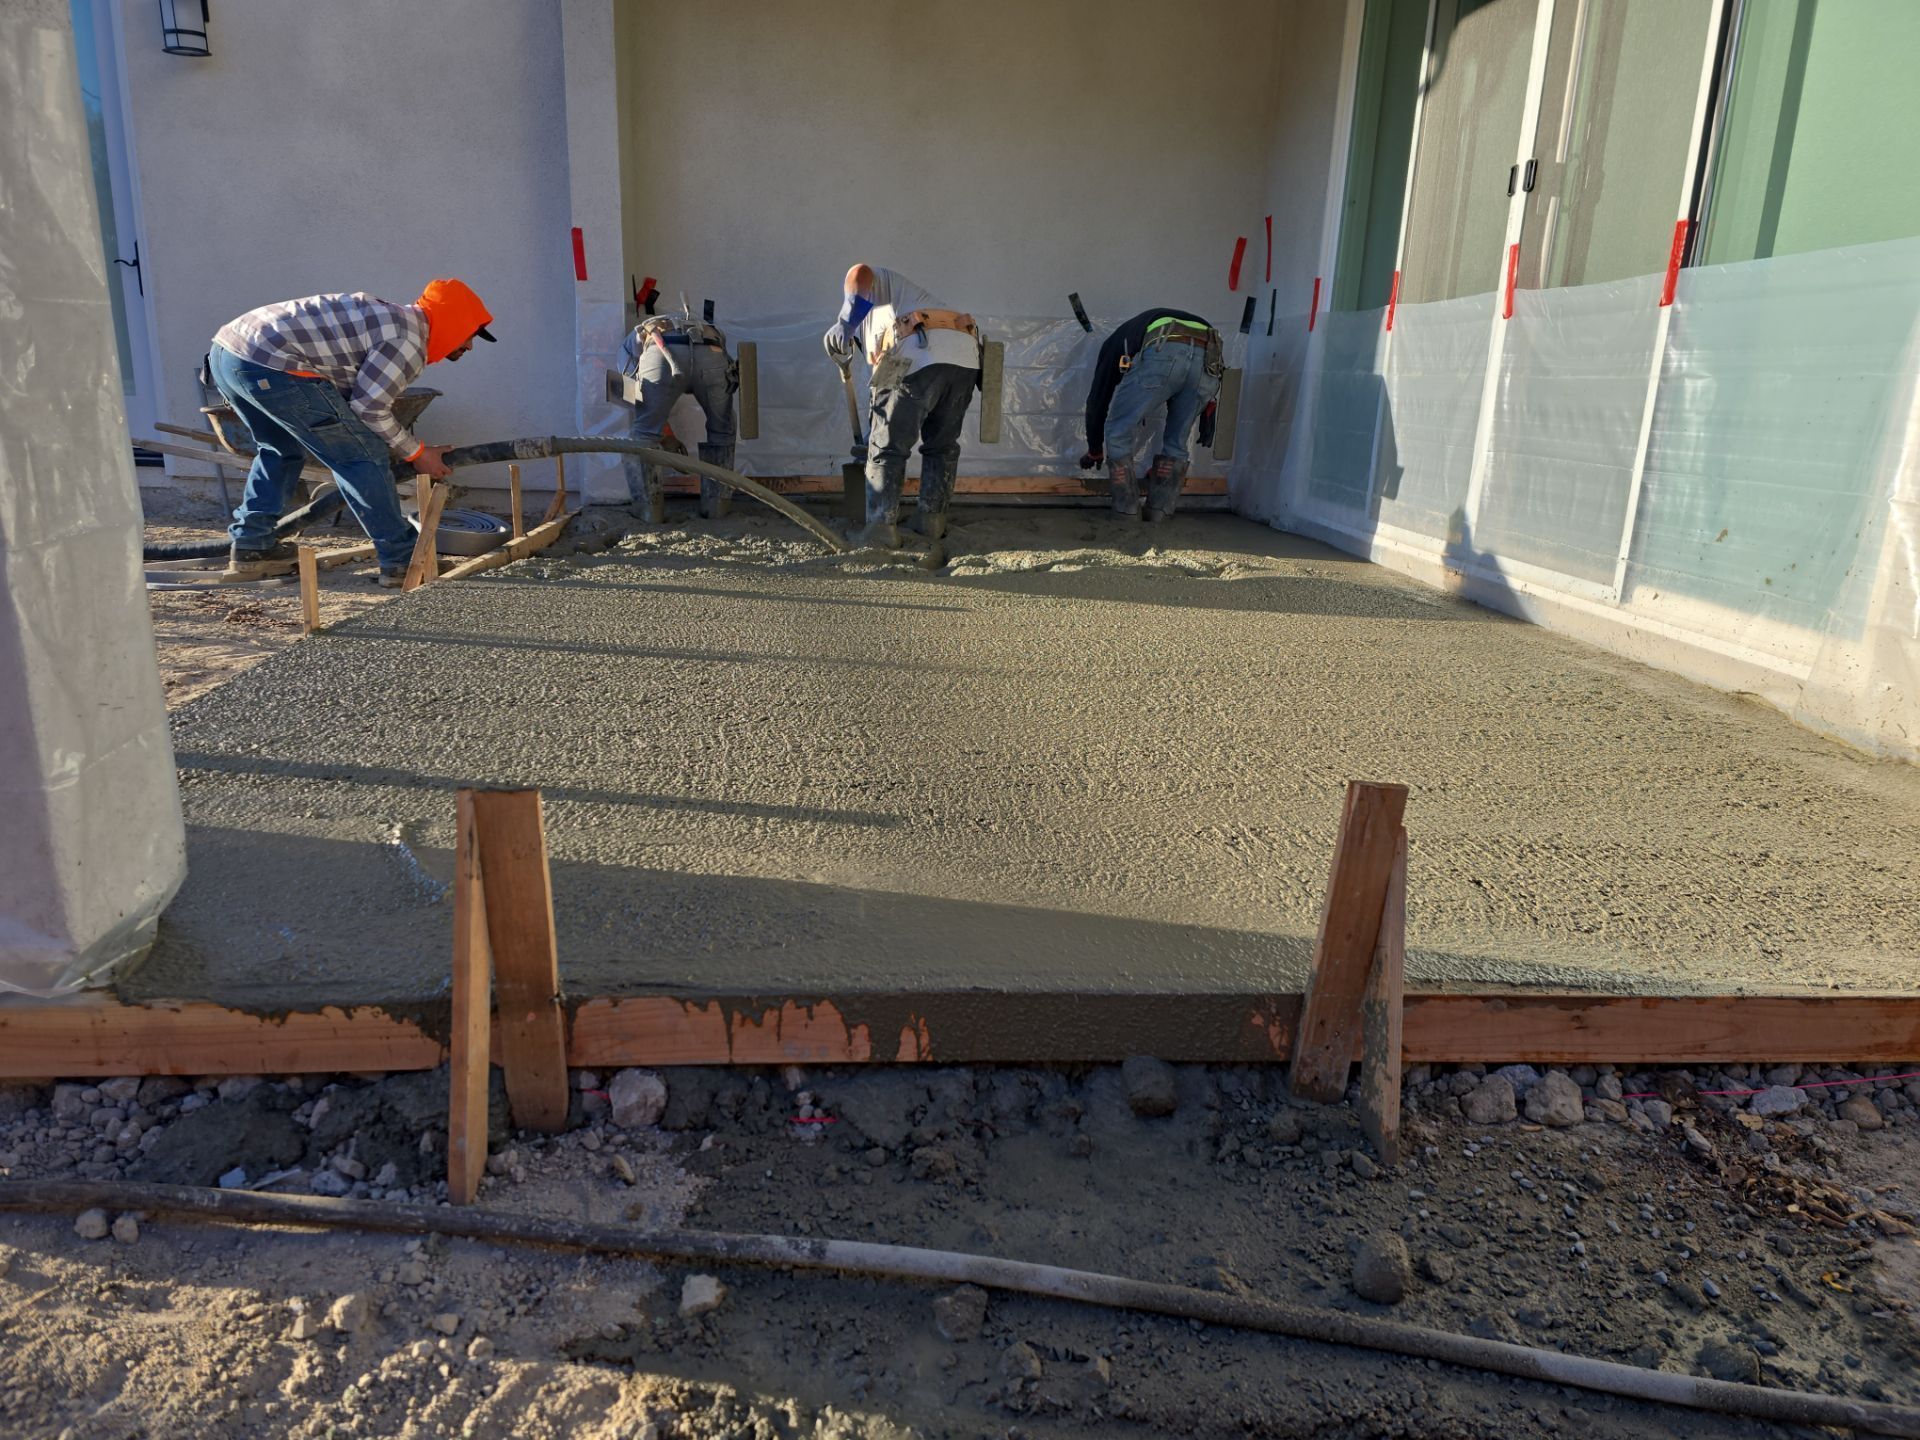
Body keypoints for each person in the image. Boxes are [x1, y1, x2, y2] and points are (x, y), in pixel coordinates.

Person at [206, 280, 495, 584]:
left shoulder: (395, 320)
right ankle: (403, 561)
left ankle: (254, 548)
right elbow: (369, 408)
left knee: (280, 450)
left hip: (229, 352)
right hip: (272, 363)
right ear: (454, 323)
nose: (469, 346)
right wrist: (417, 453)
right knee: (362, 456)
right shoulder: (407, 342)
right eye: (470, 335)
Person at [824, 264, 980, 547]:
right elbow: (882, 391)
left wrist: (844, 324)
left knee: (888, 449)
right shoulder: (897, 306)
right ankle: (931, 522)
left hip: (918, 344)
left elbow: (860, 274)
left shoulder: (872, 289)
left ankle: (880, 530)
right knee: (941, 446)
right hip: (966, 356)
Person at [1077, 308, 1223, 521]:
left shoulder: (1112, 347)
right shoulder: (1134, 332)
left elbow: (1098, 401)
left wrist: (1095, 449)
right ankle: (1159, 511)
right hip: (1210, 355)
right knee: (1176, 441)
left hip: (1166, 346)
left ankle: (1126, 510)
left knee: (1118, 431)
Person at [618, 304, 739, 523]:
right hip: (711, 351)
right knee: (722, 430)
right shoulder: (706, 326)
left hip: (662, 353)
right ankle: (716, 507)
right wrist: (668, 433)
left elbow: (630, 392)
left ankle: (648, 510)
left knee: (643, 434)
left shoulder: (632, 340)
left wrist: (660, 431)